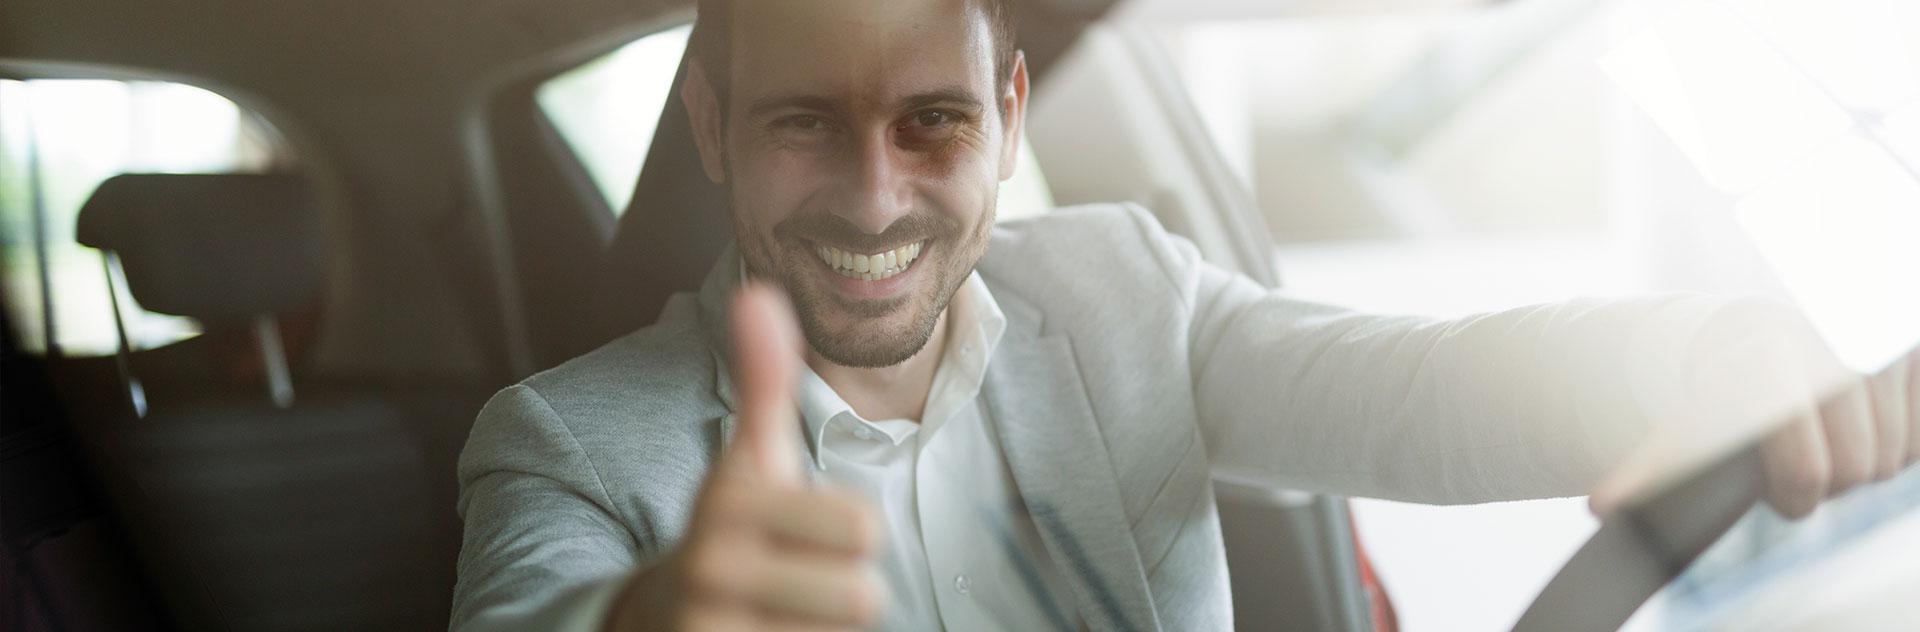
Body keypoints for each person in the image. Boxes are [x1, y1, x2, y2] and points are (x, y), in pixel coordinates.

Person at [449, 1, 1920, 630]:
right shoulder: (565, 442)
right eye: (803, 126)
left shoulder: (1121, 293)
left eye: (934, 123)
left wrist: (1701, 356)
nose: (878, 198)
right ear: (707, 122)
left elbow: (1429, 387)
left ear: (1012, 117)